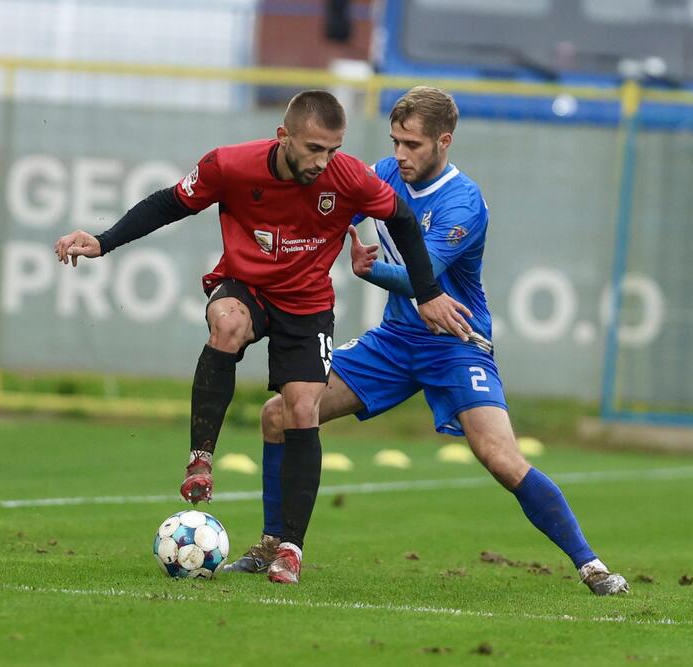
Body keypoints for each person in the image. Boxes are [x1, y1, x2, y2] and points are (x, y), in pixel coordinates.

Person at [228, 87, 628, 595]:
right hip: (395, 341)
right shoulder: (382, 174)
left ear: (444, 142)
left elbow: (427, 278)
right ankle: (271, 544)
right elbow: (325, 215)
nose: (400, 154)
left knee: (499, 456)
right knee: (277, 415)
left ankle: (590, 565)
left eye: (412, 144)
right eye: (395, 141)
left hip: (456, 342)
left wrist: (369, 273)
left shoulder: (464, 203)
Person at [53, 90, 473, 534]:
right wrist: (104, 241)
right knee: (228, 324)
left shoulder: (347, 177)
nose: (323, 162)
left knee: (301, 409)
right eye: (314, 149)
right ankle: (201, 459)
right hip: (246, 285)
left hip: (307, 303)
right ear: (283, 137)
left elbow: (404, 220)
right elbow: (170, 202)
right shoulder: (230, 165)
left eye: (333, 150)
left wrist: (426, 294)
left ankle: (288, 547)